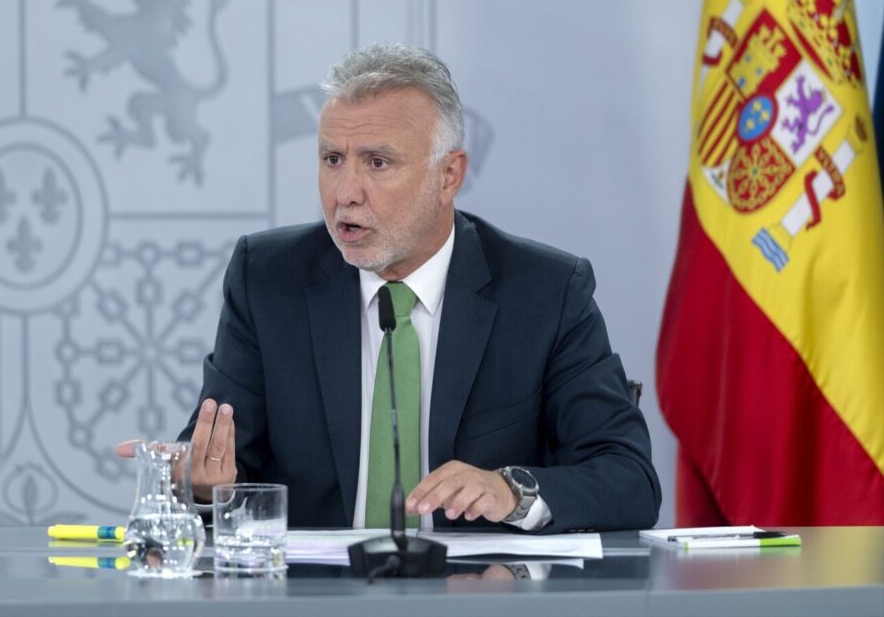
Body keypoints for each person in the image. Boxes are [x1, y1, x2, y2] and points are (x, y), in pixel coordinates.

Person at [119, 43, 660, 533]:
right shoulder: (269, 279)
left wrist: (511, 492)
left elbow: (628, 477)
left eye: (377, 163)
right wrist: (200, 484)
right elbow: (219, 458)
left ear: (449, 175)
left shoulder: (544, 293)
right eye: (333, 160)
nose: (345, 193)